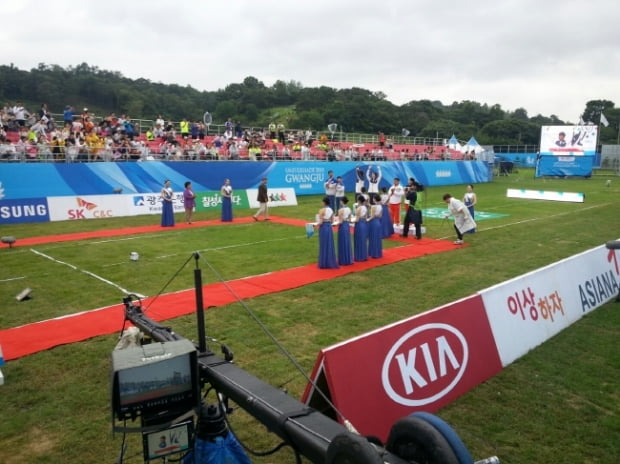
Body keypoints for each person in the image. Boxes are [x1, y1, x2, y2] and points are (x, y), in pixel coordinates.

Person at [316, 197, 339, 269]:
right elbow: (332, 221)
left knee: (323, 244)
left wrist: (315, 225)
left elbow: (320, 221)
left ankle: (324, 262)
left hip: (323, 227)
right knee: (329, 244)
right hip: (329, 227)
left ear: (324, 202)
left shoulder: (322, 210)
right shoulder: (331, 210)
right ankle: (330, 261)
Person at [336, 196, 353, 266]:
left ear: (342, 202)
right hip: (347, 225)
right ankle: (347, 258)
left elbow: (340, 221)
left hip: (342, 226)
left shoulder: (340, 210)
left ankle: (343, 259)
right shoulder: (349, 209)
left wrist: (335, 223)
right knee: (347, 241)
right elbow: (349, 219)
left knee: (342, 241)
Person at [353, 195, 369, 262]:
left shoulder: (359, 208)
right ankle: (363, 255)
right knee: (363, 240)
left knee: (358, 240)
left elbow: (356, 219)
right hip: (364, 224)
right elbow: (365, 218)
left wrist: (350, 221)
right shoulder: (365, 207)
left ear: (359, 200)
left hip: (359, 224)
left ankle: (359, 256)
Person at [367, 194, 383, 258]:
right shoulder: (380, 206)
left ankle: (373, 253)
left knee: (373, 238)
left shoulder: (374, 207)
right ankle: (377, 253)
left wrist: (367, 220)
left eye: (373, 198)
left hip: (373, 223)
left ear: (375, 199)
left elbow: (372, 216)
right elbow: (380, 216)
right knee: (377, 238)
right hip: (378, 223)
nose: (372, 199)